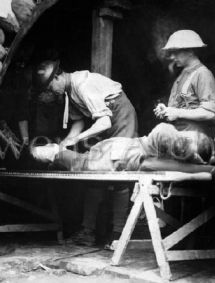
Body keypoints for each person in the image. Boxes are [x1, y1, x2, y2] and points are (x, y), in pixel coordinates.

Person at [32, 61, 138, 247]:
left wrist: (79, 139)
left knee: (118, 172)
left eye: (50, 86)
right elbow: (78, 123)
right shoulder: (68, 92)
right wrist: (64, 144)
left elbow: (104, 122)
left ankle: (117, 234)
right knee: (93, 176)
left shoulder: (82, 84)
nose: (50, 91)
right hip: (106, 121)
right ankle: (87, 232)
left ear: (58, 76)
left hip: (120, 118)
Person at [30, 123, 214, 172]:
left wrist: (197, 161)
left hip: (124, 151)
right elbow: (165, 133)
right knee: (83, 164)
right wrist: (195, 160)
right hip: (125, 152)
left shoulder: (177, 146)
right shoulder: (167, 133)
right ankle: (51, 152)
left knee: (85, 160)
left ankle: (53, 155)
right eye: (190, 139)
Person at [154, 30, 215, 137]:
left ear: (190, 51)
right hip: (180, 136)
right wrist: (166, 110)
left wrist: (177, 113)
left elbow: (210, 113)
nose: (172, 57)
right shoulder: (184, 72)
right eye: (171, 53)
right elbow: (182, 105)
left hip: (195, 138)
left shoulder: (203, 74)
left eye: (176, 52)